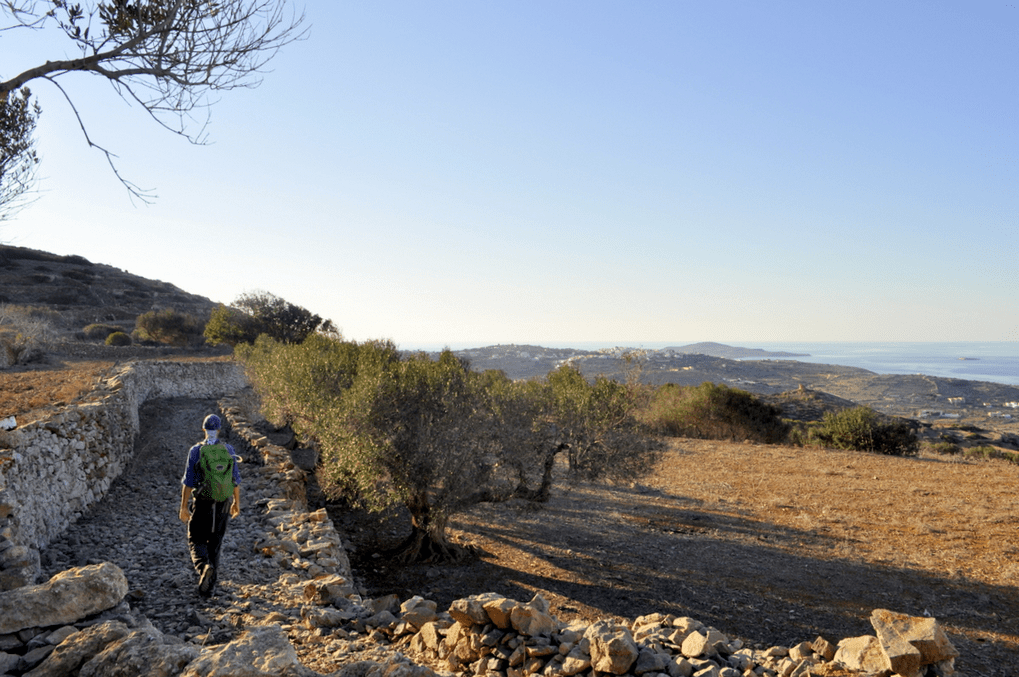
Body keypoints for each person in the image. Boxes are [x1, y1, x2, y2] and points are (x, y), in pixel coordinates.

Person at [178, 413, 241, 597]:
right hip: (223, 503)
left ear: (204, 429)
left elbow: (188, 482)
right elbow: (235, 480)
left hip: (203, 503)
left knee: (196, 538)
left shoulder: (196, 451)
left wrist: (183, 506)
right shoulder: (228, 450)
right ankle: (210, 588)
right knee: (215, 543)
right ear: (219, 430)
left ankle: (204, 566)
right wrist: (237, 503)